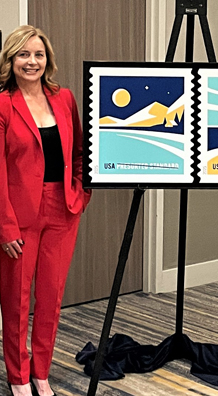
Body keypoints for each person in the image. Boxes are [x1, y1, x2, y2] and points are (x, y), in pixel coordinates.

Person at [0, 25, 90, 396]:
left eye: (38, 54)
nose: (31, 61)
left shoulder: (64, 98)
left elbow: (82, 152)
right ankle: (19, 378)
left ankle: (41, 372)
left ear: (47, 59)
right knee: (17, 303)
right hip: (18, 215)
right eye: (23, 54)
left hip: (62, 210)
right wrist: (5, 228)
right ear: (11, 60)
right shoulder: (3, 104)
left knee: (51, 299)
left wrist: (81, 193)